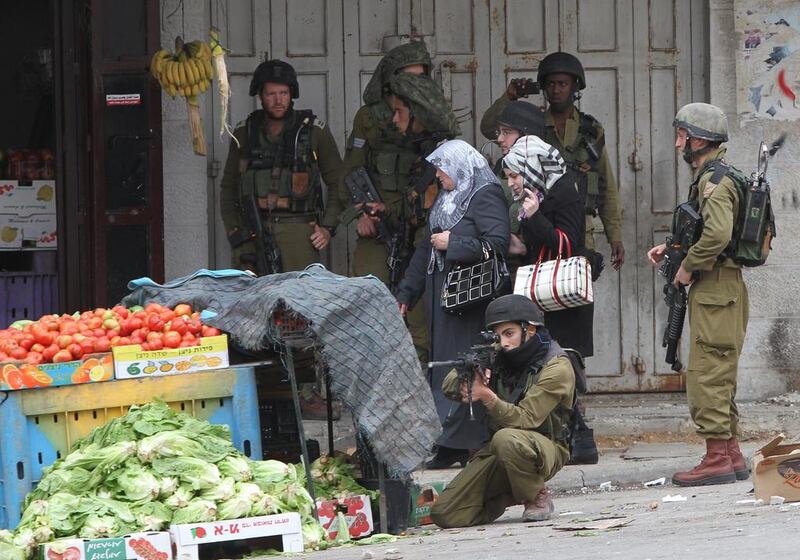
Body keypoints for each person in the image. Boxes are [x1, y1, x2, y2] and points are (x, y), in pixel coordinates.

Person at [219, 59, 344, 419]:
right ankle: (260, 389)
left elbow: (339, 182)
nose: (277, 100)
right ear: (259, 96)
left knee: (302, 313)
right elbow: (228, 189)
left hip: (298, 232)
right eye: (271, 94)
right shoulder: (243, 134)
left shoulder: (314, 132)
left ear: (293, 95)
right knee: (250, 312)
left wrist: (328, 227)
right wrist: (236, 236)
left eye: (283, 94)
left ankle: (307, 391)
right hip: (253, 234)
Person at [647, 103, 750, 487]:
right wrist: (671, 250)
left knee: (708, 371)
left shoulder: (714, 183)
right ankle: (731, 454)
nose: (678, 144)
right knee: (719, 370)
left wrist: (686, 268)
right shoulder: (715, 177)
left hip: (716, 287)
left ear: (700, 139)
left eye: (682, 136)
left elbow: (718, 235)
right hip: (721, 286)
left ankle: (717, 457)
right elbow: (705, 231)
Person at [340, 42, 459, 364]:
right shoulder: (371, 119)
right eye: (408, 78)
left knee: (419, 315)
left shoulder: (433, 125)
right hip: (379, 226)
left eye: (421, 78)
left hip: (420, 231)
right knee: (371, 305)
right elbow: (351, 171)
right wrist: (360, 214)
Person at [396, 139, 510, 469]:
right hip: (443, 298)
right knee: (445, 367)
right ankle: (449, 440)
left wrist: (454, 243)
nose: (439, 176)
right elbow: (425, 249)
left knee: (464, 365)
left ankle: (461, 441)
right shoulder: (448, 200)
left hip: (469, 300)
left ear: (459, 166)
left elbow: (497, 243)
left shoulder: (484, 194)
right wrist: (406, 293)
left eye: (443, 169)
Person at [430, 294, 575, 527]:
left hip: (545, 447)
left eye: (509, 334)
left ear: (530, 329)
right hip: (500, 449)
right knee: (446, 514)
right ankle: (514, 493)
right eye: (498, 336)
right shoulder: (497, 354)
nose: (504, 343)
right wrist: (472, 375)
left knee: (506, 438)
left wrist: (486, 396)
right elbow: (449, 386)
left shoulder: (556, 366)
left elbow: (526, 418)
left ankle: (536, 496)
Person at [480, 52, 625, 271]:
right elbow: (490, 128)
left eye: (562, 84)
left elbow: (607, 183)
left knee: (575, 291)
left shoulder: (590, 130)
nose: (556, 90)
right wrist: (509, 97)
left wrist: (614, 235)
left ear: (575, 86)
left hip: (578, 230)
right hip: (536, 227)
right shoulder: (531, 127)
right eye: (550, 84)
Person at [504, 135, 592, 358]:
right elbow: (541, 241)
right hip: (544, 296)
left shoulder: (564, 193)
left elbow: (567, 244)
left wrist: (535, 217)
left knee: (564, 362)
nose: (510, 183)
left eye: (514, 176)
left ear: (531, 168)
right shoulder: (536, 196)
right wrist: (523, 248)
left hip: (563, 295)